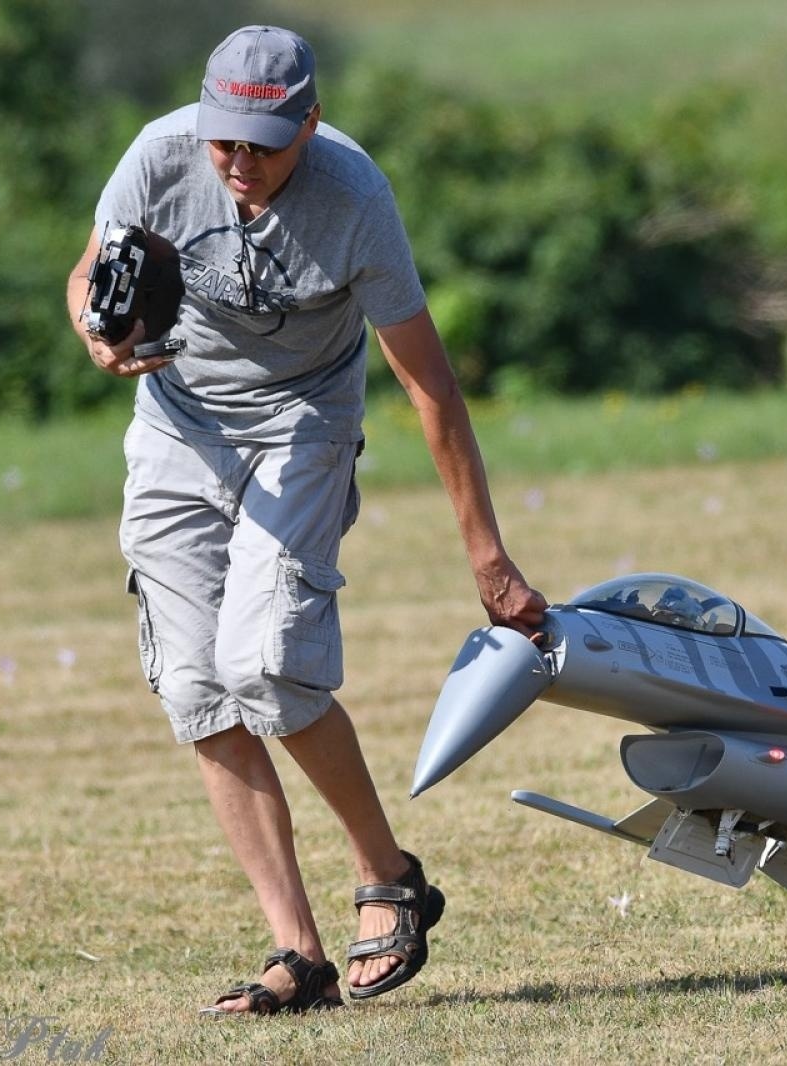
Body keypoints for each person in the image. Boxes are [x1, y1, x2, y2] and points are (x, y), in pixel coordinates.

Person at [65, 24, 547, 1015]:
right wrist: (96, 333)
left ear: (310, 124)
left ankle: (388, 874)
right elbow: (88, 273)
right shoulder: (159, 156)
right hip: (178, 425)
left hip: (303, 420)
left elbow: (430, 385)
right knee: (197, 688)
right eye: (224, 140)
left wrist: (488, 556)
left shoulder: (355, 198)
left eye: (263, 145)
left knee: (267, 661)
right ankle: (298, 952)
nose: (238, 163)